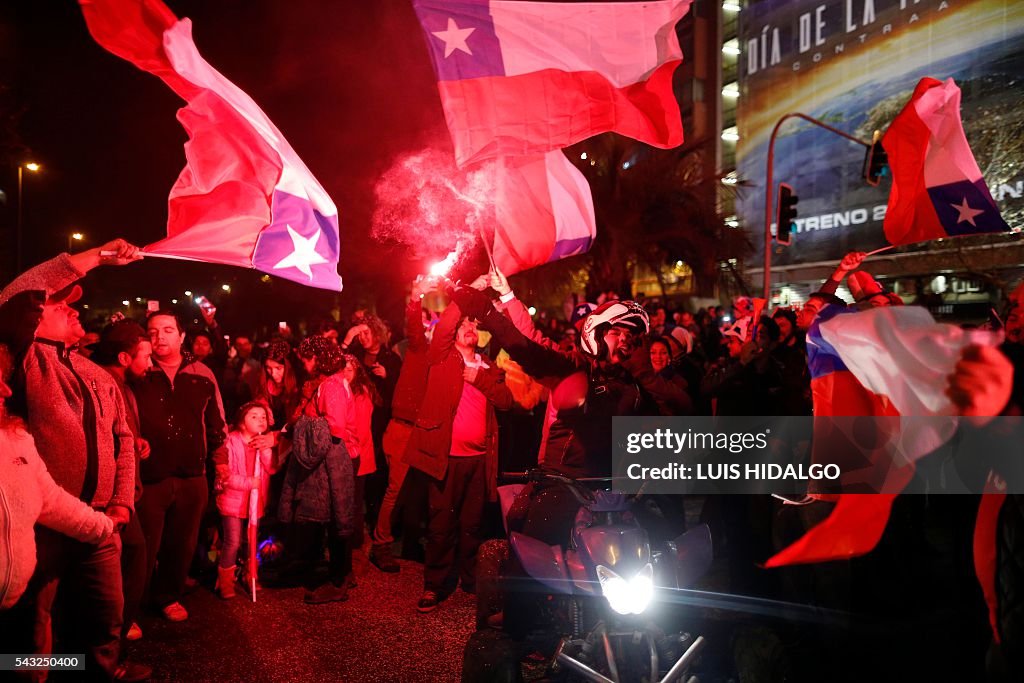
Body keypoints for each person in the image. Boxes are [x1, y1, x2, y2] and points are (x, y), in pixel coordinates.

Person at [0, 241, 150, 682]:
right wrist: (99, 256)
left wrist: (121, 503)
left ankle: (100, 673)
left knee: (106, 620)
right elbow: (20, 291)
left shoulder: (96, 374)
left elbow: (123, 441)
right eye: (59, 305)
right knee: (33, 631)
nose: (72, 310)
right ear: (32, 320)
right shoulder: (23, 361)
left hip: (103, 523)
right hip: (44, 525)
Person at [404, 293, 514, 613]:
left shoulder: (486, 366)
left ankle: (469, 579)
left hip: (479, 460)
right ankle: (434, 585)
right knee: (441, 524)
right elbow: (444, 326)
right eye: (464, 323)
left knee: (472, 524)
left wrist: (477, 378)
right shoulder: (442, 356)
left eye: (473, 324)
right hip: (446, 459)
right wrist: (463, 301)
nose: (468, 327)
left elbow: (505, 400)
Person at [0, 340, 115, 612]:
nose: (5, 390)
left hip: (12, 606)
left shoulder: (16, 440)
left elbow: (49, 498)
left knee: (25, 655)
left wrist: (103, 526)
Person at [132, 309, 227, 623]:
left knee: (181, 544)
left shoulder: (202, 373)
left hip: (191, 475)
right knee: (142, 548)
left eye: (168, 330)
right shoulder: (139, 372)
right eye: (153, 331)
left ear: (182, 336)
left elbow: (216, 425)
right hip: (150, 476)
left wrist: (221, 465)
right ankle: (130, 608)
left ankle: (167, 596)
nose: (160, 337)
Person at [90, 320, 154, 644]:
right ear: (125, 358)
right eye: (146, 356)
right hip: (112, 499)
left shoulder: (123, 386)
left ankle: (110, 649)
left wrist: (137, 442)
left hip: (125, 494)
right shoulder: (102, 384)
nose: (151, 364)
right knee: (127, 567)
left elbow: (124, 436)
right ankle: (106, 654)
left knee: (132, 563)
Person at [280, 336, 356, 604]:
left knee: (336, 517)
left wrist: (303, 423)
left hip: (330, 462)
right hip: (328, 460)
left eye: (308, 358)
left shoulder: (332, 386)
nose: (305, 364)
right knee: (334, 515)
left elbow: (333, 427)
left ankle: (339, 580)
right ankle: (337, 573)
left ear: (320, 359)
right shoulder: (330, 383)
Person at [370, 276, 435, 574]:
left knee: (417, 492)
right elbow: (414, 326)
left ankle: (411, 543)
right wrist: (416, 296)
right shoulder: (414, 347)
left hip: (422, 431)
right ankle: (381, 544)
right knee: (395, 490)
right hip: (402, 428)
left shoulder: (440, 354)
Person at [213, 401, 277, 599]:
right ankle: (225, 581)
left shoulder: (262, 443)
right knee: (232, 541)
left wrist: (266, 449)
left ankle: (251, 575)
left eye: (263, 417)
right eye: (254, 417)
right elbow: (226, 477)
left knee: (250, 541)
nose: (260, 420)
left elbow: (271, 468)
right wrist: (249, 483)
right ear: (241, 423)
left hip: (254, 502)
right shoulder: (231, 442)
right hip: (233, 500)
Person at [343, 354, 381, 550]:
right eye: (343, 369)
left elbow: (361, 429)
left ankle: (355, 540)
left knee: (355, 500)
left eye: (349, 370)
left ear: (357, 371)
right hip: (351, 453)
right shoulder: (343, 390)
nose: (345, 373)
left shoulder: (361, 393)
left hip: (358, 454)